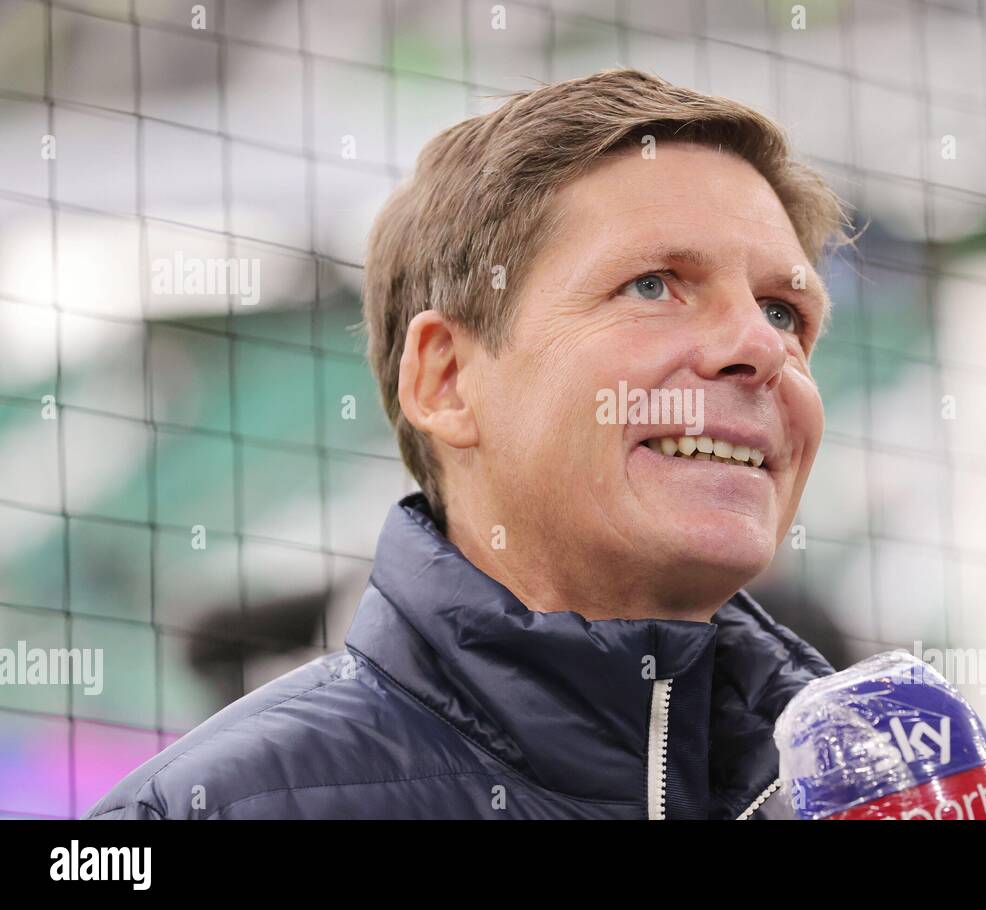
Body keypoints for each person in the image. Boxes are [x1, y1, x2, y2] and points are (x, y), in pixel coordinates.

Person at [87, 68, 850, 819]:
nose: (761, 345)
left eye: (784, 312)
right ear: (447, 381)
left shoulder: (877, 789)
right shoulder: (203, 813)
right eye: (652, 285)